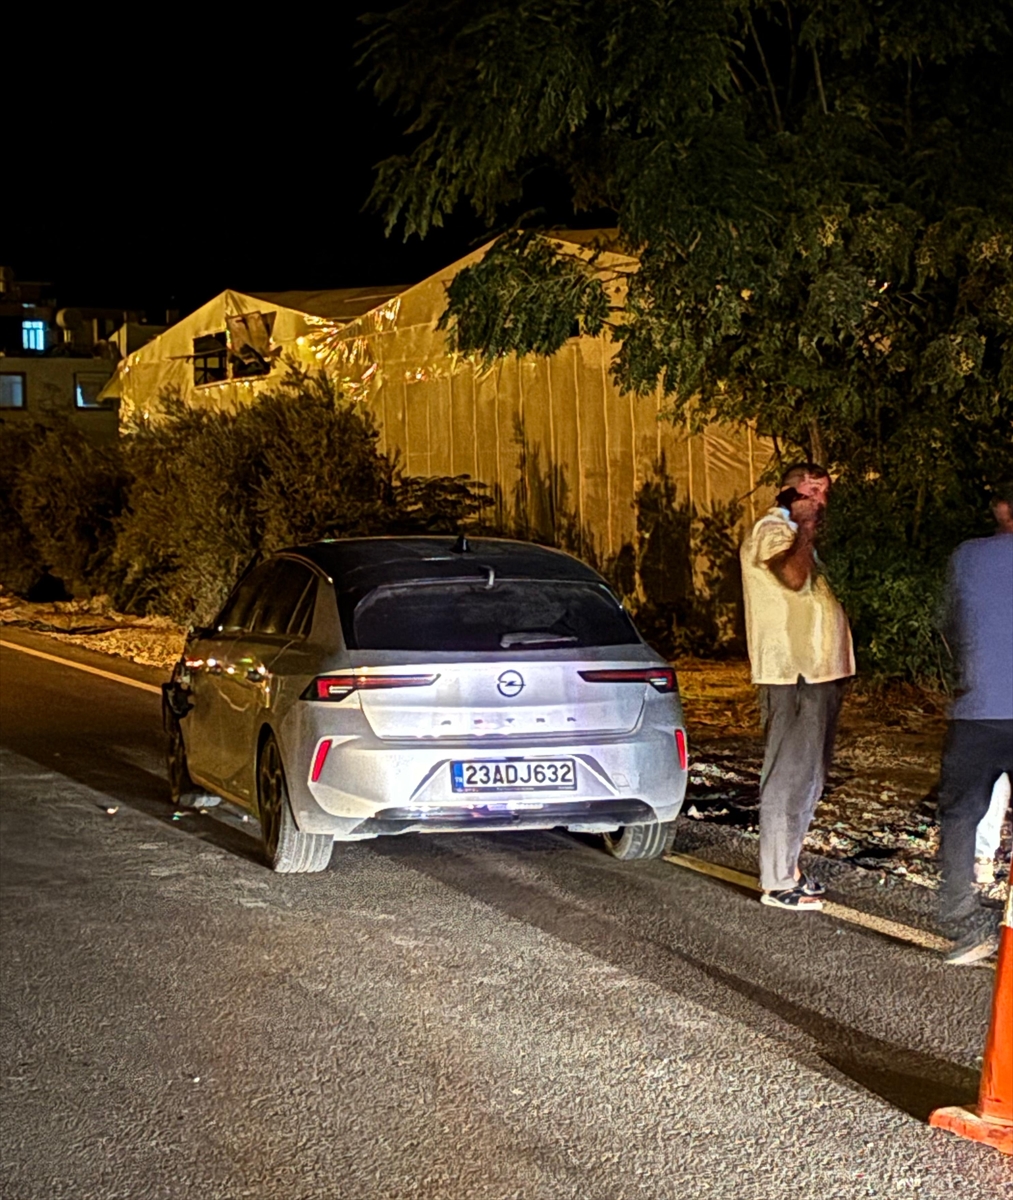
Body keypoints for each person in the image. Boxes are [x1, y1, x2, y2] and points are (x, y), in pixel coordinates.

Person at [740, 463, 855, 910]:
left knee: (809, 778)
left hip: (820, 671)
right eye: (811, 491)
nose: (820, 500)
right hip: (794, 671)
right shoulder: (773, 528)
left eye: (825, 491)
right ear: (789, 492)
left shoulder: (807, 536)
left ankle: (789, 866)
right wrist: (804, 526)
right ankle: (776, 880)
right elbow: (791, 577)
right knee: (789, 777)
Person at [936, 485, 1013, 965]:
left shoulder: (968, 557)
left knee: (961, 815)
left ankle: (962, 923)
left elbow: (950, 625)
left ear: (1002, 510)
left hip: (978, 709)